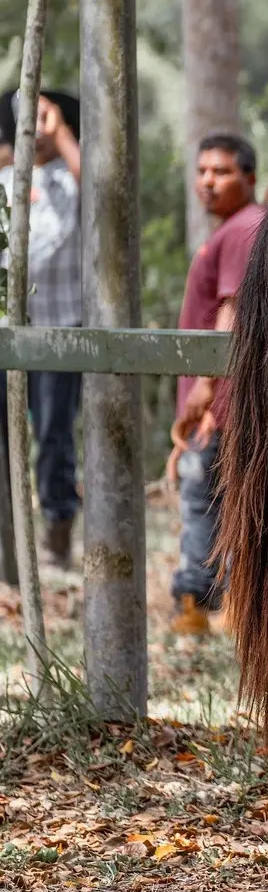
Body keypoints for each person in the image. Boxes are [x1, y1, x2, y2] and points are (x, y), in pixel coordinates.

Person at [167, 133, 263, 634]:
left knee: (201, 497)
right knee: (220, 502)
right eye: (202, 170)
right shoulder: (236, 228)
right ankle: (222, 606)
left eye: (221, 171)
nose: (208, 180)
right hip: (222, 401)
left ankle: (196, 605)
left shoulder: (244, 229)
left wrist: (207, 390)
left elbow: (233, 310)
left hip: (220, 405)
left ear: (249, 177)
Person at [0, 89, 84, 575]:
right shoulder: (8, 180)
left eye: (42, 118)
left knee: (53, 436)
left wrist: (61, 132)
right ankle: (10, 548)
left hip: (61, 327)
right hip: (11, 330)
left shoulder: (73, 178)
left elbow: (100, 190)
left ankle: (56, 536)